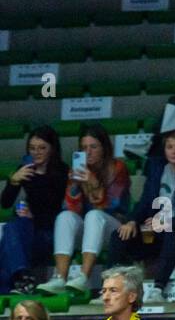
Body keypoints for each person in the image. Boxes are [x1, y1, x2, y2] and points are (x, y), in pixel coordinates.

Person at [110, 129, 175, 291]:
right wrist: (131, 221)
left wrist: (166, 221)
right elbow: (145, 202)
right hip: (155, 232)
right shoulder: (157, 168)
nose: (174, 151)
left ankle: (158, 288)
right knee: (120, 235)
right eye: (169, 147)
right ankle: (112, 287)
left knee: (173, 229)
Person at [39, 124, 131, 295]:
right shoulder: (79, 169)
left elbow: (112, 205)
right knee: (65, 217)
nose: (88, 152)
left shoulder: (117, 168)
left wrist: (94, 182)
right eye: (84, 147)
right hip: (90, 230)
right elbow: (70, 208)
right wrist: (74, 185)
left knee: (94, 215)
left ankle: (83, 276)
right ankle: (59, 277)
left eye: (93, 147)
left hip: (115, 229)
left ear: (104, 148)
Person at [0, 126, 68, 294]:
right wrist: (13, 182)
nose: (36, 152)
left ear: (52, 149)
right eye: (32, 148)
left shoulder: (62, 172)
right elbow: (5, 203)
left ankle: (17, 280)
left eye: (42, 148)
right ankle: (23, 277)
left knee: (8, 239)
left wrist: (33, 216)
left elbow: (61, 214)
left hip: (50, 234)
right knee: (11, 228)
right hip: (28, 231)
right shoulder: (24, 169)